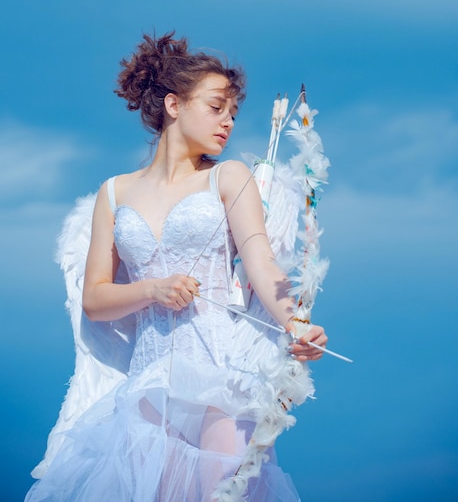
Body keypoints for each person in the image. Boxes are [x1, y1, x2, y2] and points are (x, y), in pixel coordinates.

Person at [26, 32, 328, 502]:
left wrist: (296, 322)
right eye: (215, 107)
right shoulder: (113, 193)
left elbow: (261, 258)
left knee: (219, 491)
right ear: (173, 104)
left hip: (219, 375)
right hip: (146, 386)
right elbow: (95, 300)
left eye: (233, 112)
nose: (227, 122)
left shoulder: (229, 177)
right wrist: (152, 290)